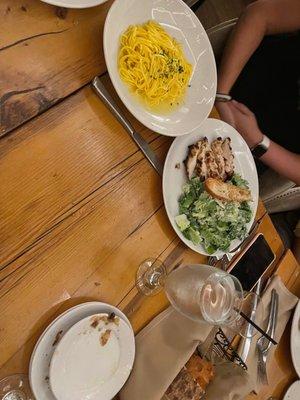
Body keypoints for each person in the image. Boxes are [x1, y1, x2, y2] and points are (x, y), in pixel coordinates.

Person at [214, 0, 300, 257]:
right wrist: (221, 96)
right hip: (224, 82)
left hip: (254, 151)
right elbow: (260, 14)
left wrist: (258, 142)